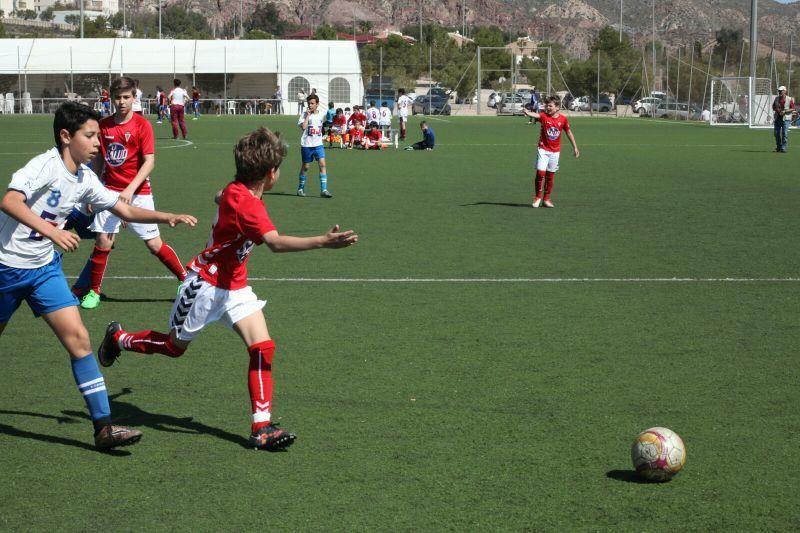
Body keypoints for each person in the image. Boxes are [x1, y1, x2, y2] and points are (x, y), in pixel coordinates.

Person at [96, 127, 357, 451]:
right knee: (174, 348)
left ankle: (261, 428)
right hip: (204, 287)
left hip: (234, 288)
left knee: (262, 347)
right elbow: (274, 244)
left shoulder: (237, 191)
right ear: (270, 174)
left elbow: (220, 195)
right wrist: (323, 241)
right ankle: (119, 338)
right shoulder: (250, 205)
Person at [0, 102, 196, 450]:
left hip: (44, 270)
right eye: (89, 136)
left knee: (80, 340)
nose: (97, 143)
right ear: (65, 136)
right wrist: (52, 231)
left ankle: (103, 428)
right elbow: (10, 201)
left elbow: (122, 208)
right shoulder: (45, 166)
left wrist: (166, 217)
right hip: (7, 268)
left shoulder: (86, 178)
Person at [71, 77, 189, 309]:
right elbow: (98, 162)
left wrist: (129, 190)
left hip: (138, 192)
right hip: (109, 192)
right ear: (111, 99)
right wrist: (93, 191)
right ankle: (94, 292)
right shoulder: (103, 126)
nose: (122, 102)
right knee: (103, 240)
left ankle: (186, 280)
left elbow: (149, 162)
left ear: (134, 98)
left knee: (154, 244)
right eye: (118, 97)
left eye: (126, 97)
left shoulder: (142, 125)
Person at [523, 95, 580, 208]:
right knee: (540, 173)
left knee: (550, 175)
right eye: (546, 105)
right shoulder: (544, 116)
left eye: (550, 106)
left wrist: (575, 147)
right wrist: (528, 112)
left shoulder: (563, 119)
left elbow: (569, 132)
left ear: (557, 107)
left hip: (555, 152)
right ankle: (538, 197)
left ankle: (547, 199)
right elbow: (537, 115)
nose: (547, 107)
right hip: (543, 149)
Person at [297, 94, 332, 197]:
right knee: (306, 167)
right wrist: (307, 116)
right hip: (307, 145)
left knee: (322, 165)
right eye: (309, 103)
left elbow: (327, 121)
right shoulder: (304, 114)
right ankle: (300, 189)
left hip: (318, 145)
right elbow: (303, 127)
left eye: (312, 103)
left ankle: (324, 190)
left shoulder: (321, 115)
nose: (310, 105)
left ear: (317, 104)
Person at [772, 85, 795, 153]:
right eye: (779, 91)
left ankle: (783, 148)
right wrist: (777, 109)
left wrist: (785, 111)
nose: (779, 92)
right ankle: (778, 147)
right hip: (777, 118)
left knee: (784, 133)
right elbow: (773, 107)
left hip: (786, 118)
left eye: (781, 91)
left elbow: (793, 108)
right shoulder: (776, 98)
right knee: (776, 133)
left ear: (785, 91)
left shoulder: (789, 99)